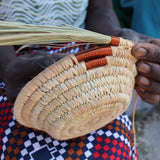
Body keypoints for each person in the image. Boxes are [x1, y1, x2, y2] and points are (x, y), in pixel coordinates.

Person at [0, 0, 159, 159]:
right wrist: (8, 67)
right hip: (12, 57)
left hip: (82, 54)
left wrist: (114, 41)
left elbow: (99, 8)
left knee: (111, 148)